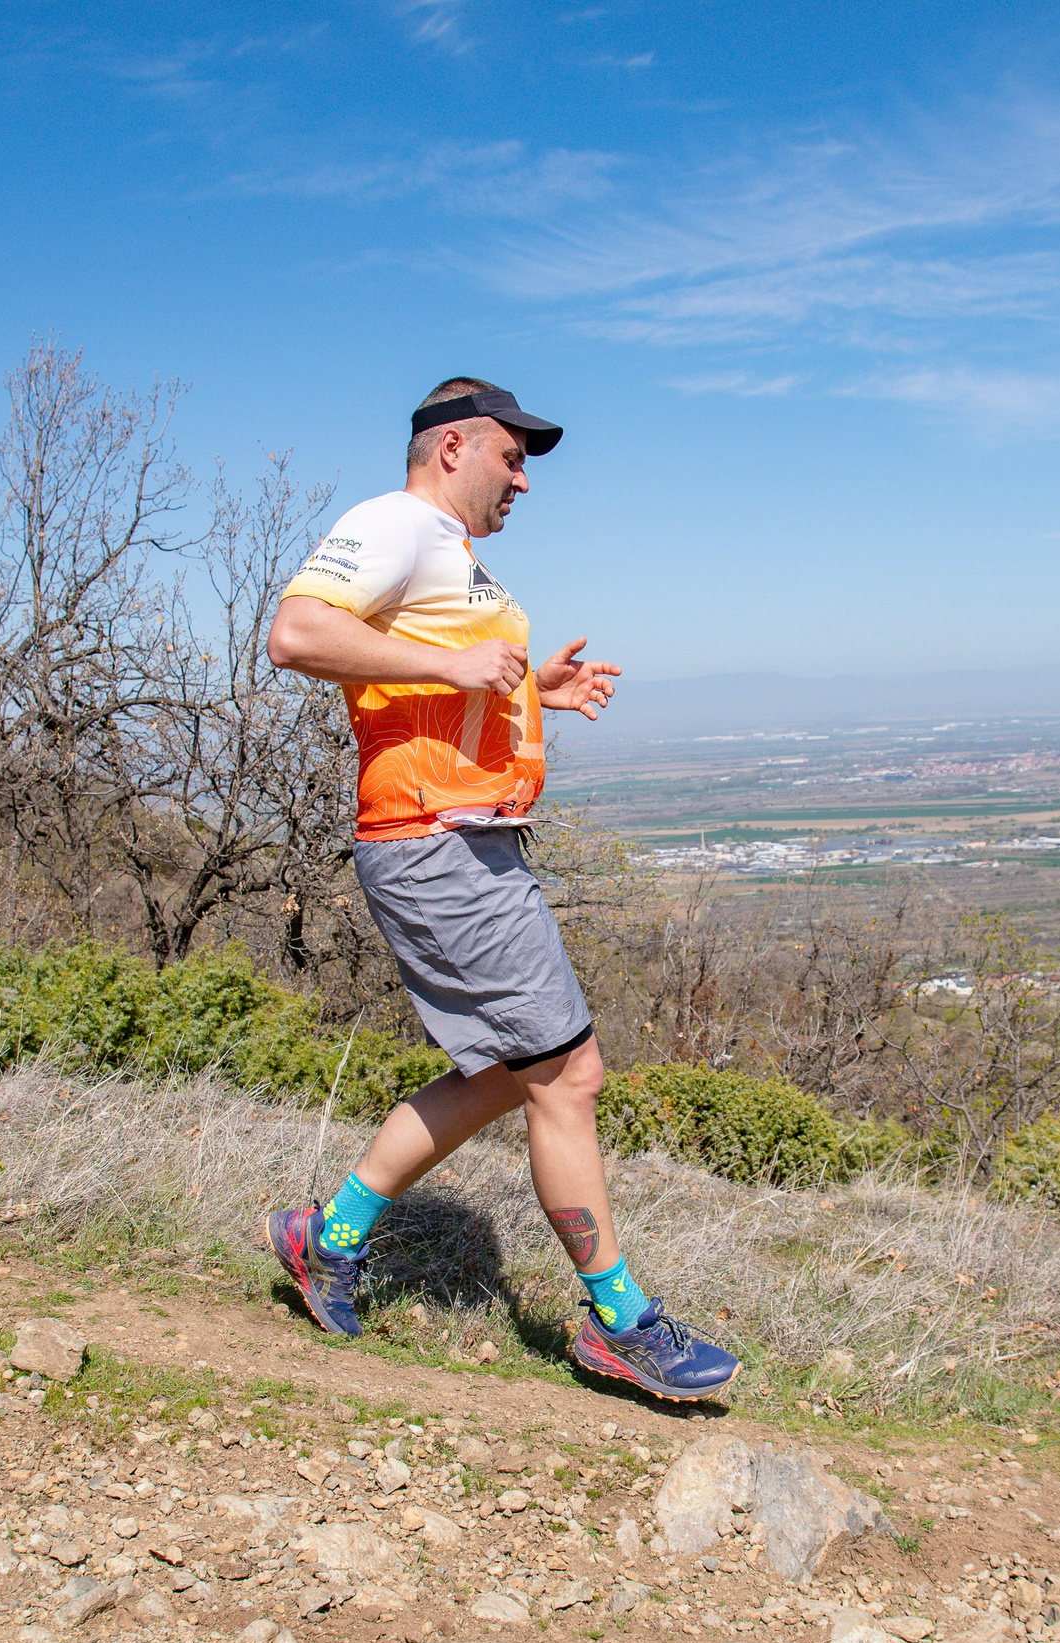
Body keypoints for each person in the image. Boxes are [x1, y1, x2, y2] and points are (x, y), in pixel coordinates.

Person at [259, 376, 740, 1404]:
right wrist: (461, 669)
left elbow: (438, 677)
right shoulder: (396, 523)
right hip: (438, 846)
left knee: (499, 1075)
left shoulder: (451, 556)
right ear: (450, 448)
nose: (523, 479)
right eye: (511, 457)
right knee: (567, 1079)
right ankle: (623, 1324)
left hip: (462, 842)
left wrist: (532, 688)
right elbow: (297, 636)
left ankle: (325, 1235)